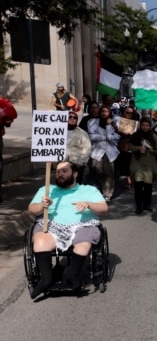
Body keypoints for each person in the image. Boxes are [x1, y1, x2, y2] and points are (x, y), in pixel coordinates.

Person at [27, 161, 108, 299]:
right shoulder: (47, 190)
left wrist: (88, 204)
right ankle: (46, 279)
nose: (60, 174)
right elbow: (32, 210)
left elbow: (104, 209)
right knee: (40, 239)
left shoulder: (89, 190)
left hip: (82, 225)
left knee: (84, 240)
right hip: (53, 225)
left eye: (64, 171)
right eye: (58, 171)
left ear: (75, 174)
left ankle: (72, 274)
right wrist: (42, 205)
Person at [128, 117, 157, 214]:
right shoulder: (135, 135)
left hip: (149, 164)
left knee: (148, 186)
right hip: (137, 163)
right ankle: (139, 206)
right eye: (143, 125)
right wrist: (138, 148)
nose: (145, 127)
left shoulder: (153, 135)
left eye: (147, 125)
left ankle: (147, 204)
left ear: (150, 126)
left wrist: (150, 148)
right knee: (138, 186)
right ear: (140, 125)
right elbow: (129, 146)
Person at [87, 105, 121, 201]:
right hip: (97, 151)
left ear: (110, 113)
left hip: (110, 152)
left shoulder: (114, 123)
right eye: (102, 111)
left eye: (106, 111)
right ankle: (102, 187)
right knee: (96, 169)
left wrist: (109, 126)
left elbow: (112, 138)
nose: (104, 113)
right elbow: (91, 136)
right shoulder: (93, 122)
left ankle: (107, 193)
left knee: (109, 172)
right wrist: (103, 137)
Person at [66, 111, 91, 184]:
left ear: (77, 120)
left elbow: (87, 149)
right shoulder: (59, 132)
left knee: (75, 183)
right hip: (62, 162)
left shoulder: (82, 133)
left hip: (76, 163)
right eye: (70, 117)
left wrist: (81, 163)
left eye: (74, 117)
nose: (72, 119)